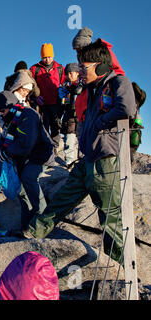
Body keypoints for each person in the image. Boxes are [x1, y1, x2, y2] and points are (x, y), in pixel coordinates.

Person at [24, 39, 137, 263]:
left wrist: (102, 120)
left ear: (100, 66)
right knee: (63, 199)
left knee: (110, 219)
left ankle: (119, 267)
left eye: (84, 67)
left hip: (106, 163)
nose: (81, 72)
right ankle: (32, 233)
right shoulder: (92, 89)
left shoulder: (117, 82)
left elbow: (127, 107)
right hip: (87, 161)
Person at [0, 91, 54, 231]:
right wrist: (3, 152)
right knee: (19, 187)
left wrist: (8, 151)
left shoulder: (28, 115)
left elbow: (27, 143)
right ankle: (26, 224)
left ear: (11, 105)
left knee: (28, 177)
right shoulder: (11, 120)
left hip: (40, 155)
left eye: (2, 110)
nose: (1, 114)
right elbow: (7, 141)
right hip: (24, 157)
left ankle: (43, 218)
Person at [30, 43, 66, 150]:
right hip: (42, 104)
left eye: (49, 56)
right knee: (43, 127)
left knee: (55, 126)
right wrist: (35, 97)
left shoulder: (60, 68)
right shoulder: (35, 69)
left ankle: (54, 147)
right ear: (41, 57)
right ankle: (46, 148)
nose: (47, 59)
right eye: (44, 57)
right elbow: (31, 84)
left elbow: (65, 83)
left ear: (53, 56)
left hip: (56, 102)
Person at [58, 63, 84, 168]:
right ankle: (70, 160)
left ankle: (83, 159)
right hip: (70, 115)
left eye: (71, 73)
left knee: (82, 137)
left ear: (77, 73)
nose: (69, 75)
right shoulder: (66, 86)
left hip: (81, 115)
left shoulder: (83, 84)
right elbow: (62, 100)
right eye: (67, 73)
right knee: (69, 137)